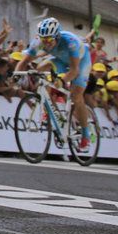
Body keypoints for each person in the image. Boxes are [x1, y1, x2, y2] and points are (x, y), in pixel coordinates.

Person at [14, 17, 93, 150]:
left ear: (57, 36)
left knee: (76, 96)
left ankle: (86, 134)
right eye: (44, 40)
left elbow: (74, 70)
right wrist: (16, 76)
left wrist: (62, 81)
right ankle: (49, 108)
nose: (46, 43)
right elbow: (23, 62)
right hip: (61, 59)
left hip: (80, 61)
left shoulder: (70, 42)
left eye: (49, 40)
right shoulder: (38, 42)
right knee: (39, 69)